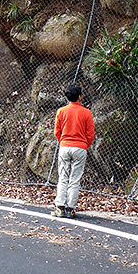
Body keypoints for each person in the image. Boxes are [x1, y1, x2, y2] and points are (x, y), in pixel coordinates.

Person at [53, 84, 95, 218]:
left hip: (65, 146)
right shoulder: (86, 113)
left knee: (63, 177)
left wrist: (63, 142)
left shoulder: (61, 111)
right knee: (75, 179)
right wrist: (85, 145)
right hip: (80, 147)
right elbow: (90, 133)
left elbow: (57, 131)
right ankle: (70, 208)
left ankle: (60, 206)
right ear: (80, 97)